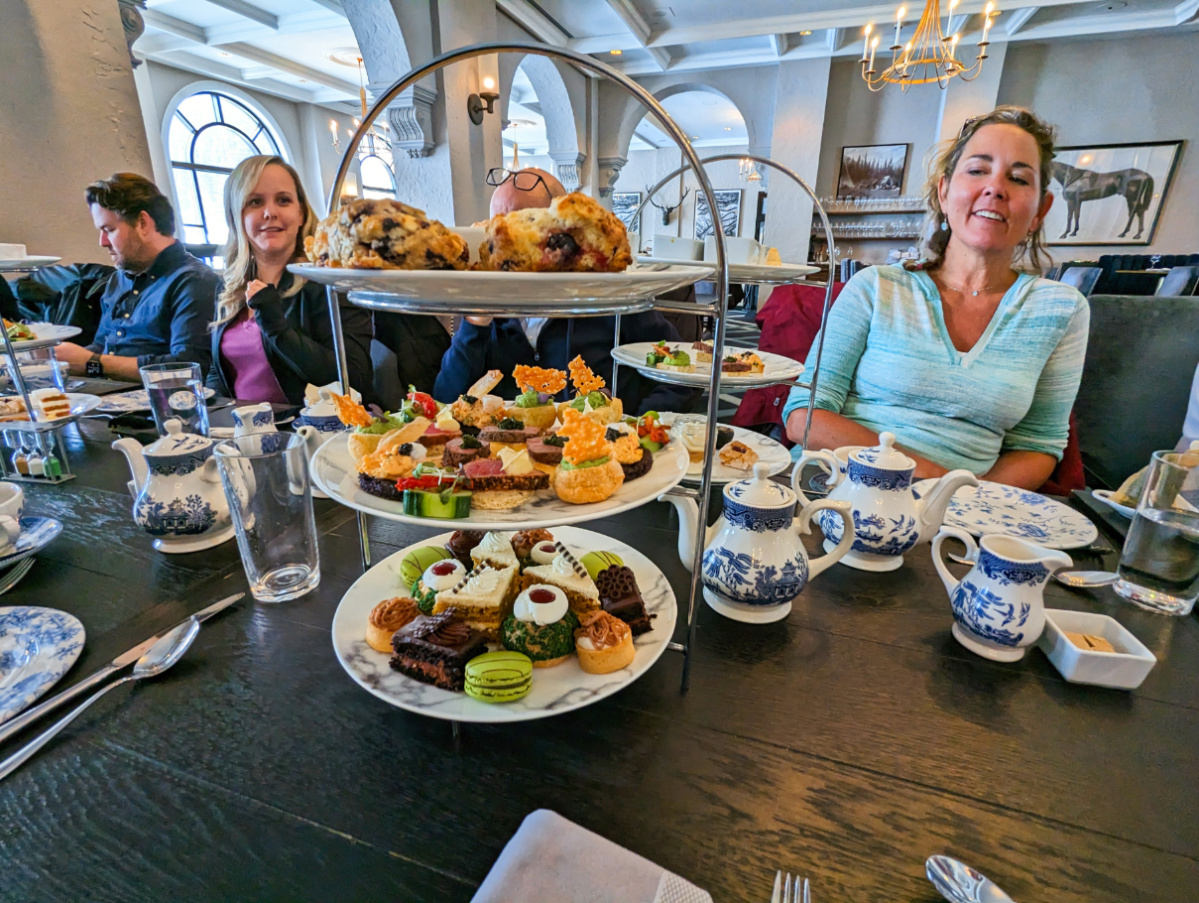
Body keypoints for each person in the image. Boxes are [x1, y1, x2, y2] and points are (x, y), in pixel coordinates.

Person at [783, 107, 1090, 491]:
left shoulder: (1062, 309)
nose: (995, 188)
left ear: (1040, 211)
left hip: (966, 510)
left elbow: (1037, 444)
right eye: (977, 171)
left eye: (1018, 178)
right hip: (832, 488)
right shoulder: (876, 286)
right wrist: (936, 482)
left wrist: (964, 504)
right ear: (944, 192)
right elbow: (804, 416)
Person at [434, 166, 698, 415]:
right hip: (508, 444)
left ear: (563, 232)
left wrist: (636, 425)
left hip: (596, 442)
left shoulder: (612, 297)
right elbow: (446, 398)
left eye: (519, 225)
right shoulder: (486, 311)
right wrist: (476, 323)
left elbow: (682, 376)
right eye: (496, 226)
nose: (503, 240)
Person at [206, 155, 372, 406]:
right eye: (255, 202)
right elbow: (218, 370)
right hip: (245, 425)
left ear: (301, 213)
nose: (270, 212)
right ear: (236, 216)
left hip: (313, 426)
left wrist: (276, 327)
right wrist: (212, 411)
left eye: (283, 200)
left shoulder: (331, 281)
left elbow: (354, 378)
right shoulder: (230, 285)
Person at [56, 173, 219, 380]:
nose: (102, 242)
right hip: (110, 393)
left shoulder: (194, 281)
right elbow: (102, 347)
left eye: (109, 230)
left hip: (160, 398)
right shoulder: (118, 280)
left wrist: (92, 364)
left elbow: (188, 368)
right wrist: (58, 360)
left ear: (142, 223)